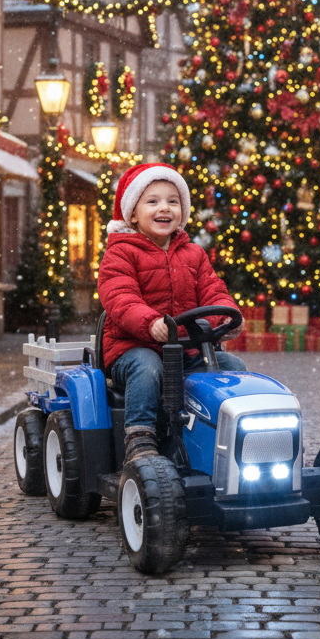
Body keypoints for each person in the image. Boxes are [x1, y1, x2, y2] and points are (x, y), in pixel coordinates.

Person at [97, 162, 245, 462]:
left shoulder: (194, 254)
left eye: (172, 201)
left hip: (187, 352)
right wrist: (150, 323)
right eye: (152, 201)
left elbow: (213, 291)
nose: (164, 207)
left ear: (182, 212)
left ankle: (229, 438)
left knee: (232, 366)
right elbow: (120, 298)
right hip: (134, 347)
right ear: (133, 214)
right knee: (148, 367)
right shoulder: (121, 252)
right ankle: (140, 437)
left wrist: (227, 316)